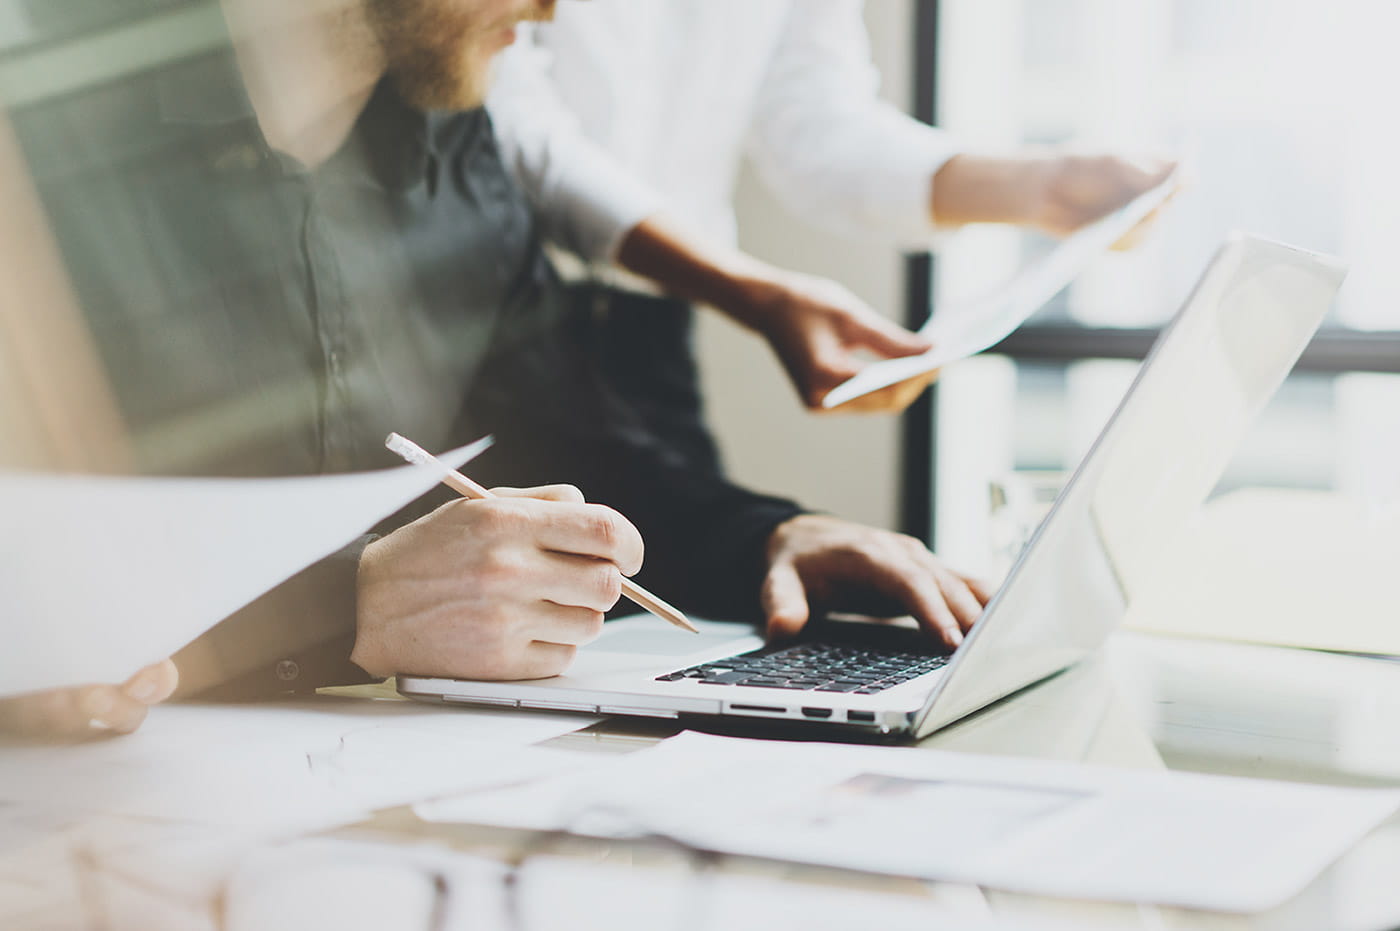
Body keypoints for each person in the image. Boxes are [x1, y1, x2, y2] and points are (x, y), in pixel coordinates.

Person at [0, 0, 987, 737]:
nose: (556, 12)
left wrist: (764, 535)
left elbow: (566, 436)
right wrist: (353, 602)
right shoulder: (36, 102)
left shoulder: (452, 141)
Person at [487, 0, 1175, 428]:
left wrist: (1040, 186)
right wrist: (751, 290)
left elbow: (811, 117)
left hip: (650, 335)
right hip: (482, 317)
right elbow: (511, 124)